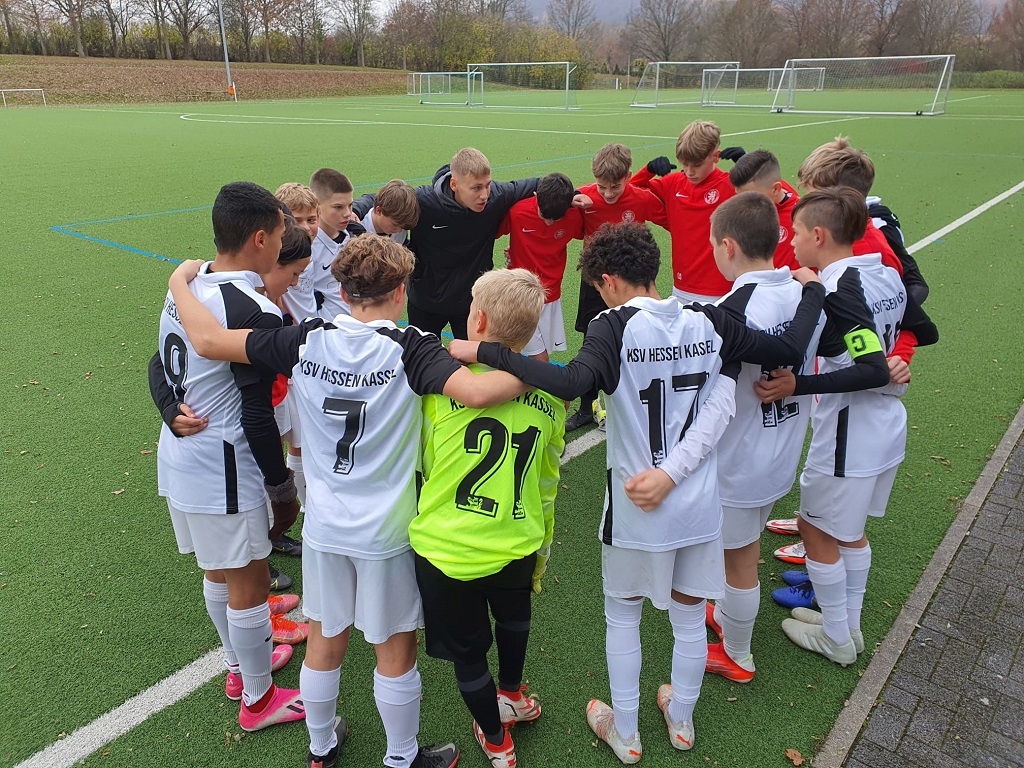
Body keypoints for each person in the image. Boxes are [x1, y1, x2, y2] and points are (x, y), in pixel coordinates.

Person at [450, 222, 826, 763]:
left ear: (607, 280)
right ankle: (682, 720)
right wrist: (813, 289)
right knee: (689, 615)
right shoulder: (710, 317)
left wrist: (487, 351)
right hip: (697, 502)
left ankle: (626, 731)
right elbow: (788, 347)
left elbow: (572, 382)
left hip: (634, 504)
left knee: (623, 615)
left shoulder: (612, 325)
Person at [166, 235, 533, 768]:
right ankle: (402, 756)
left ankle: (320, 746)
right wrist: (538, 370)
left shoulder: (306, 337)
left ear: (341, 290)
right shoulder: (412, 346)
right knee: (395, 648)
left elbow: (207, 341)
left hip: (324, 526)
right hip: (386, 531)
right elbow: (478, 393)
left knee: (325, 639)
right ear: (401, 291)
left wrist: (179, 282)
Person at [754, 187, 938, 667]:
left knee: (814, 527)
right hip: (885, 424)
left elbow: (870, 369)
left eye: (795, 232)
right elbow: (926, 330)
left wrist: (797, 384)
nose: (791, 241)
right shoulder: (885, 274)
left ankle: (836, 637)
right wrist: (896, 357)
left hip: (850, 430)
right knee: (850, 532)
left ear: (818, 235)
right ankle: (846, 627)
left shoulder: (840, 289)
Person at [150, 181, 305, 732]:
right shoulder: (254, 310)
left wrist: (167, 407)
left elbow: (158, 361)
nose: (282, 244)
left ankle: (240, 670)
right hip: (224, 466)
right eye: (280, 235)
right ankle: (259, 702)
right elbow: (258, 415)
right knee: (248, 584)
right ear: (260, 239)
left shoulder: (188, 286)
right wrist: (280, 487)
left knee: (218, 572)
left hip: (180, 455)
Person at [411, 268, 566, 768]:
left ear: (476, 320)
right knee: (515, 618)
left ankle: (497, 741)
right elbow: (547, 483)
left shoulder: (440, 391)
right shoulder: (550, 400)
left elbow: (424, 465)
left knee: (469, 653)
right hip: (518, 538)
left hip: (446, 549)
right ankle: (512, 695)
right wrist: (540, 545)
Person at [701, 192, 822, 684]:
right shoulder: (803, 295)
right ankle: (730, 616)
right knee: (740, 549)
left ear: (727, 246)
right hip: (781, 450)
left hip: (739, 461)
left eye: (713, 243)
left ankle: (738, 654)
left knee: (740, 559)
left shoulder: (732, 309)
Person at [355, 147, 540, 340]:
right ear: (454, 184)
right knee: (420, 356)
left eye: (488, 185)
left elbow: (539, 185)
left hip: (471, 304)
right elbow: (381, 200)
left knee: (473, 357)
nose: (485, 195)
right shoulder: (424, 201)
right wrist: (357, 210)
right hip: (426, 302)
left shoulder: (496, 197)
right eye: (476, 188)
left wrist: (560, 203)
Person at [567, 142, 667, 431]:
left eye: (615, 186)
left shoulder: (642, 198)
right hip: (595, 283)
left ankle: (638, 402)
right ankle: (587, 407)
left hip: (631, 284)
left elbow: (675, 218)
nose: (608, 193)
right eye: (602, 187)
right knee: (592, 342)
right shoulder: (583, 197)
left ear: (628, 177)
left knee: (635, 340)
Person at [797, 136, 929, 304]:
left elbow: (914, 285)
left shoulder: (876, 234)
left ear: (841, 197)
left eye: (813, 196)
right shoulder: (834, 229)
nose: (807, 202)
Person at [631, 120, 740, 304]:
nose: (689, 171)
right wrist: (648, 170)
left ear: (715, 156)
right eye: (684, 164)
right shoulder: (673, 183)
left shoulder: (731, 185)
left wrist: (751, 171)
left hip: (721, 291)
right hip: (681, 287)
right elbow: (629, 194)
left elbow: (776, 196)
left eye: (697, 165)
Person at [271, 183, 321, 556]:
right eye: (297, 220)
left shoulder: (315, 250)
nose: (306, 227)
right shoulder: (272, 267)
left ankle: (302, 511)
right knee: (279, 440)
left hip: (305, 356)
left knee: (301, 438)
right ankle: (279, 519)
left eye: (311, 218)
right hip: (285, 360)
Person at [498, 172, 583, 362]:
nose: (549, 222)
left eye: (556, 219)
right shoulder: (517, 212)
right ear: (536, 196)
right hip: (520, 294)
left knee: (524, 352)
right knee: (537, 358)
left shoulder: (574, 217)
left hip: (551, 297)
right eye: (544, 215)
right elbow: (491, 230)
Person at [727, 150, 801, 270]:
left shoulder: (802, 215)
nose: (744, 203)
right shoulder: (753, 202)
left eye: (752, 198)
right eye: (739, 196)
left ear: (775, 189)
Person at [309, 168, 364, 322]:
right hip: (328, 329)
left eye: (350, 205)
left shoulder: (355, 236)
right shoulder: (309, 247)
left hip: (360, 326)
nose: (347, 213)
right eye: (338, 207)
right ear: (317, 206)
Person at [353, 179, 421, 244]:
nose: (399, 230)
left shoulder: (400, 230)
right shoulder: (356, 231)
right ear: (379, 211)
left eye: (403, 227)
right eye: (394, 224)